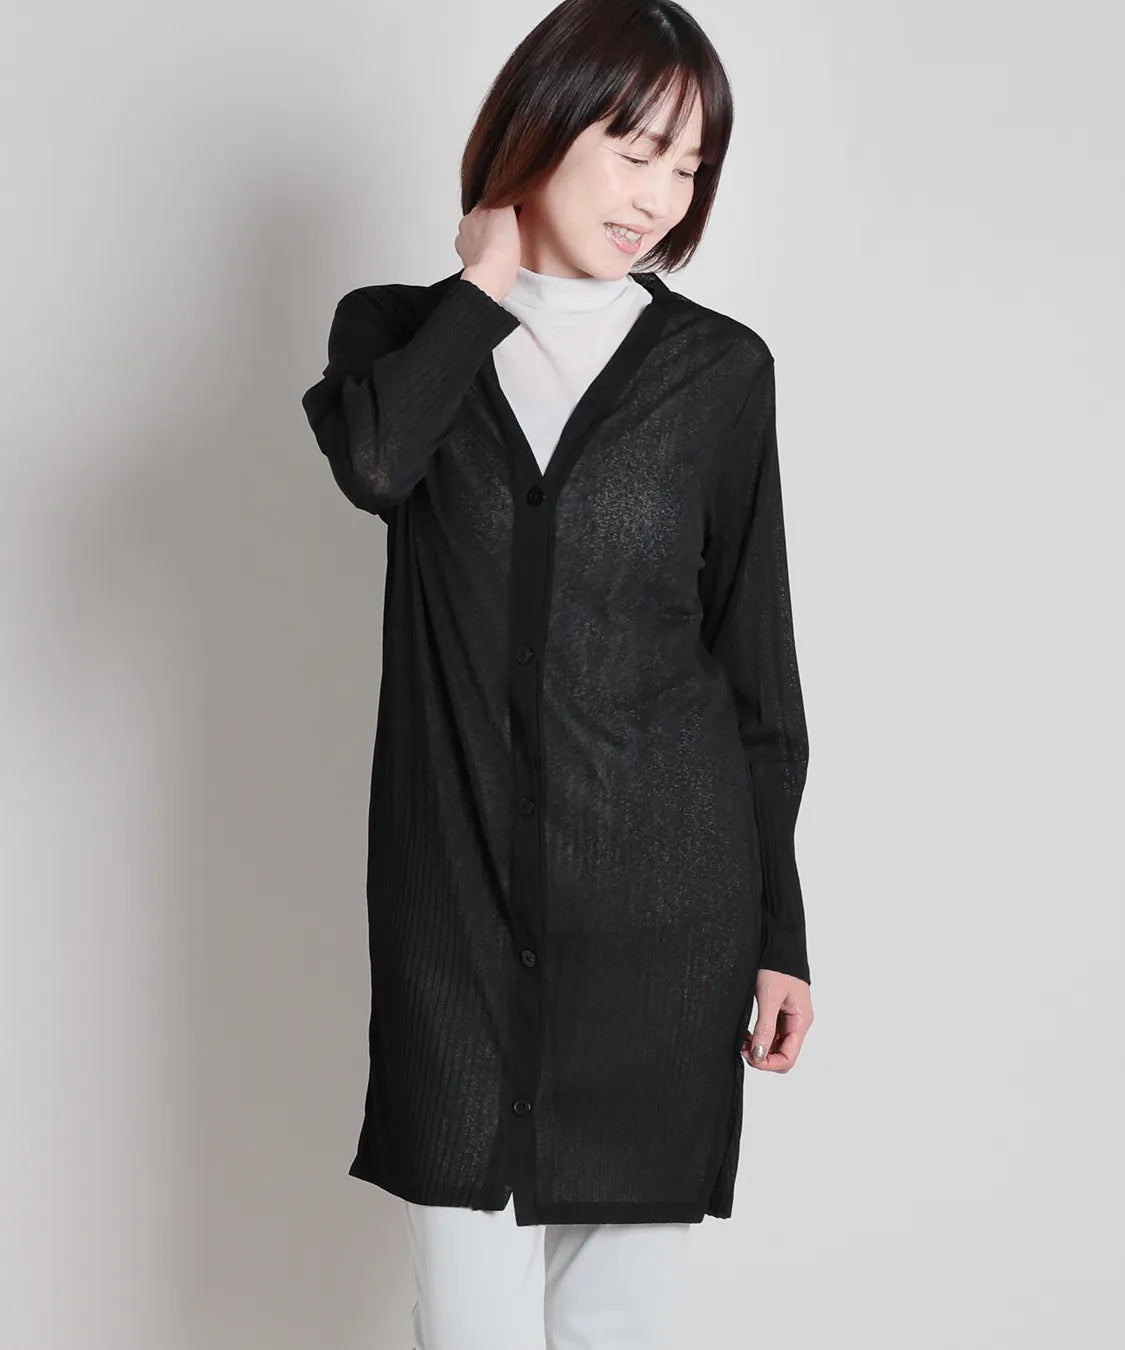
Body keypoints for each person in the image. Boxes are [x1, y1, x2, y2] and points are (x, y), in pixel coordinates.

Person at [300, 1, 815, 1345]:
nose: (657, 197)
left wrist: (780, 935)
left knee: (614, 1332)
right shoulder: (397, 336)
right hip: (457, 929)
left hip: (668, 927)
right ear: (541, 124)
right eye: (631, 150)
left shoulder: (718, 374)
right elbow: (376, 467)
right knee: (469, 1325)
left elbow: (755, 677)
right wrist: (480, 288)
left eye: (687, 166)